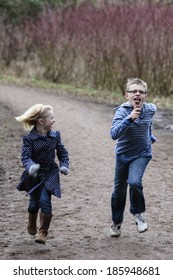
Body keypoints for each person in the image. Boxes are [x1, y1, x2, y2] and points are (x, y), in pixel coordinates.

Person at [15, 104, 69, 244]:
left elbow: (62, 153)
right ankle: (31, 221)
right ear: (41, 121)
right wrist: (31, 166)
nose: (54, 120)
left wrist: (64, 165)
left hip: (50, 173)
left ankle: (43, 231)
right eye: (51, 118)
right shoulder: (29, 139)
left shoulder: (55, 136)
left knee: (45, 201)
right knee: (34, 204)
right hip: (34, 175)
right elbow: (26, 157)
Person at [110, 78, 157, 237]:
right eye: (133, 91)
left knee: (135, 182)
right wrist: (129, 119)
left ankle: (138, 215)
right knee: (119, 191)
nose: (137, 94)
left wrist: (150, 136)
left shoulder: (151, 109)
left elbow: (148, 123)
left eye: (141, 92)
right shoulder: (122, 112)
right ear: (126, 95)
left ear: (145, 95)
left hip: (142, 153)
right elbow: (113, 134)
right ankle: (116, 223)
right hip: (123, 155)